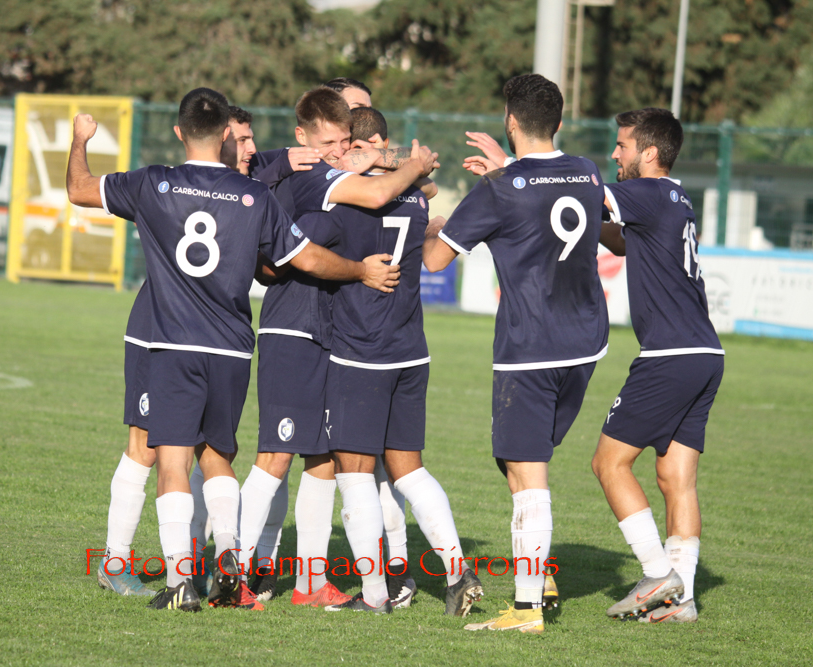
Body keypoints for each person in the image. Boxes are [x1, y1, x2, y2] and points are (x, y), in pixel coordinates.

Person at [66, 87, 400, 612]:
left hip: (172, 341)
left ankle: (179, 577)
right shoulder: (253, 196)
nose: (247, 149)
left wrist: (80, 139)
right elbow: (304, 258)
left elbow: (79, 189)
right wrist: (359, 269)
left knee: (172, 459)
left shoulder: (153, 183)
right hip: (224, 346)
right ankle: (215, 562)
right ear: (224, 134)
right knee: (206, 456)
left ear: (179, 132)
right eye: (240, 139)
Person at [235, 86, 436, 607]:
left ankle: (309, 581)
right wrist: (410, 167)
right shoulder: (311, 174)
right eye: (327, 142)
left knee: (323, 459)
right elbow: (369, 200)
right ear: (301, 137)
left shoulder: (332, 169)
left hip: (332, 334)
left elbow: (414, 186)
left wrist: (388, 162)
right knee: (275, 455)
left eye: (344, 140)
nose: (337, 150)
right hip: (293, 327)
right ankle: (233, 574)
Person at [424, 74, 609, 634]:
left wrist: (429, 222)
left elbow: (435, 261)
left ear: (509, 121)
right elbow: (544, 188)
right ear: (559, 121)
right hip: (585, 343)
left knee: (527, 471)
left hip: (531, 346)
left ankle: (527, 607)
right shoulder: (587, 172)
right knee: (514, 457)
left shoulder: (499, 190)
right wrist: (507, 170)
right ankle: (542, 578)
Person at [299, 123, 482, 615]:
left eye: (349, 144)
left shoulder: (346, 201)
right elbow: (425, 178)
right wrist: (393, 159)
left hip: (361, 351)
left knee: (354, 473)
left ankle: (375, 595)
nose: (340, 152)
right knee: (409, 469)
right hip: (411, 350)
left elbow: (307, 253)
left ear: (364, 147)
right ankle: (457, 571)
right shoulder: (416, 198)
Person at [592, 108, 724, 624]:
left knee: (609, 464)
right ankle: (681, 600)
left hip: (669, 355)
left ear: (648, 152)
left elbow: (579, 192)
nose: (614, 154)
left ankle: (655, 575)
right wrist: (595, 229)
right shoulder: (674, 197)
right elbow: (624, 241)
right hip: (705, 354)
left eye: (622, 145)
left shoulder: (645, 192)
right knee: (675, 478)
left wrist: (514, 170)